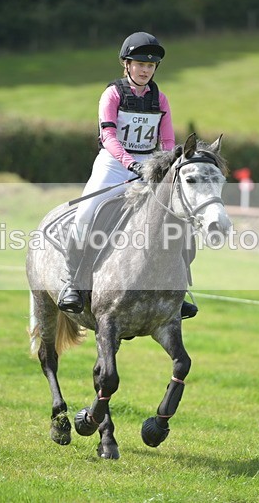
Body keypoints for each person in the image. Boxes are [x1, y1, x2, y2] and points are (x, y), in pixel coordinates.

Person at [58, 31, 197, 319]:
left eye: (150, 66)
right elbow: (108, 136)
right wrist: (130, 163)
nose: (146, 70)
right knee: (86, 213)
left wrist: (165, 165)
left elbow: (168, 141)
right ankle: (71, 283)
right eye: (140, 64)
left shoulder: (161, 99)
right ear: (127, 64)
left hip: (150, 165)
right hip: (113, 164)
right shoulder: (112, 94)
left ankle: (178, 290)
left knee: (176, 219)